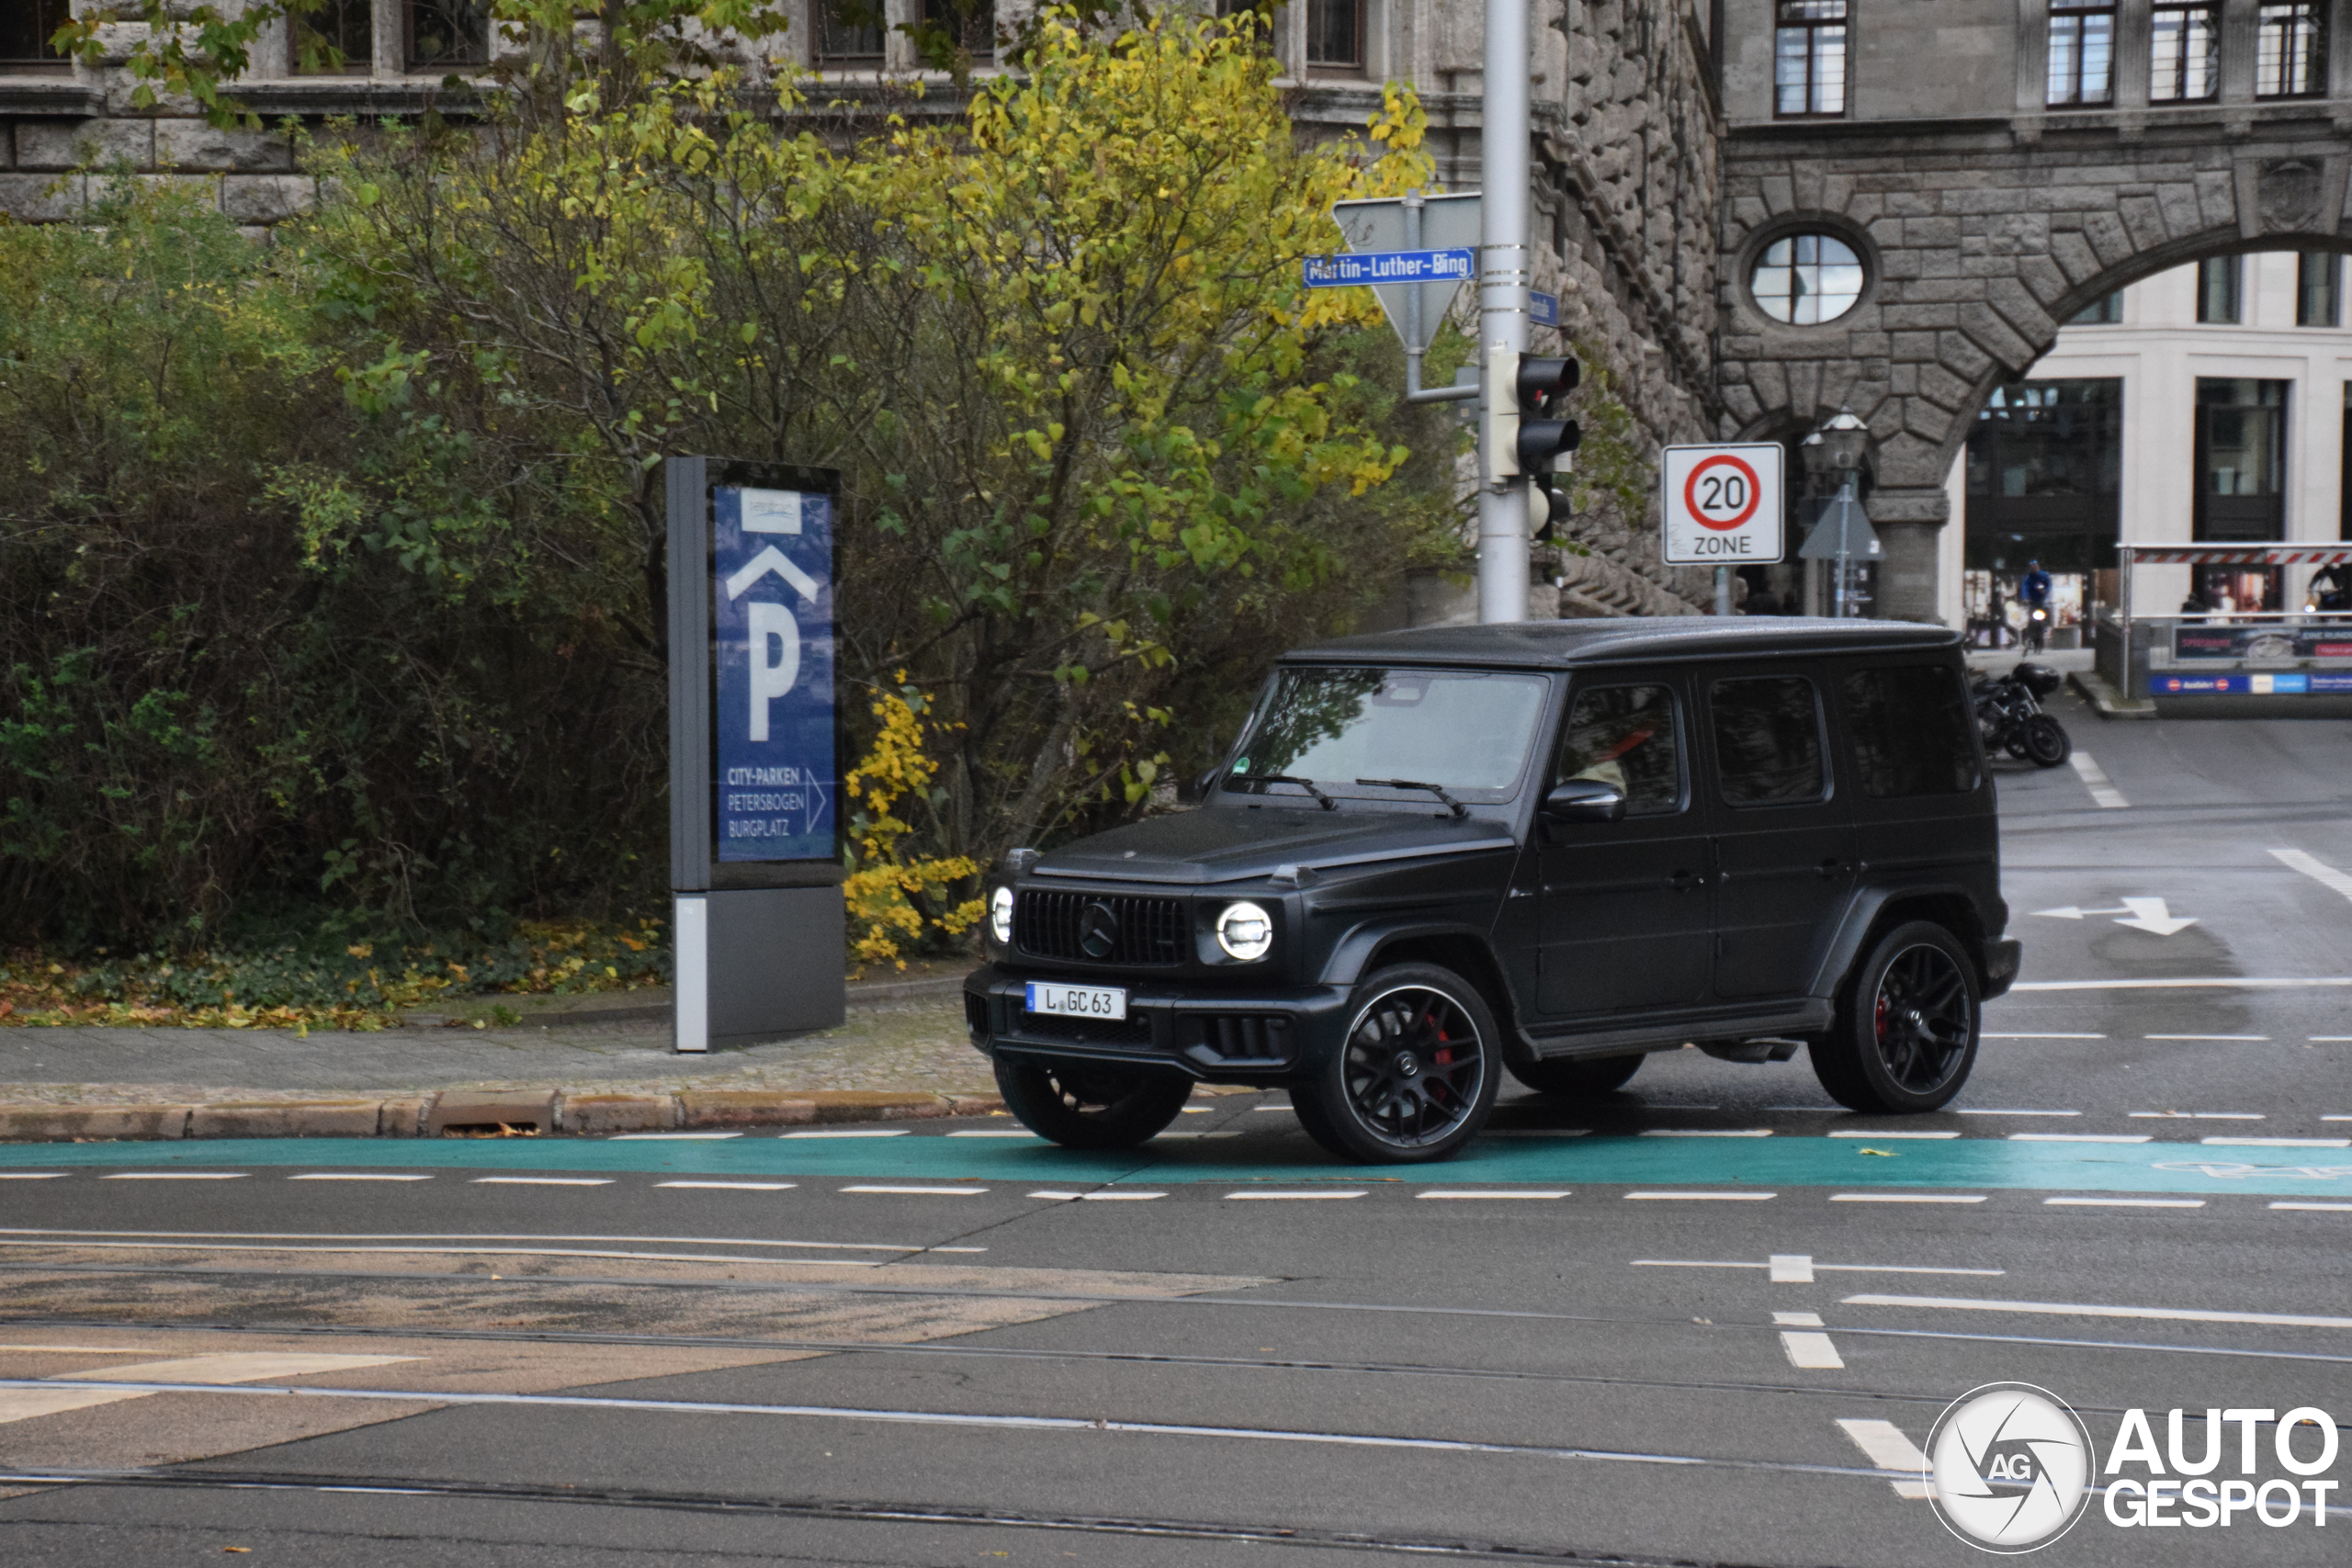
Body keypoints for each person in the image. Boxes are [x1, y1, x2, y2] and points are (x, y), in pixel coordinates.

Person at [2018, 559, 2052, 653]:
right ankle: (2030, 636)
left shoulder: (2044, 575)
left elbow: (2049, 585)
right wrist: (2025, 598)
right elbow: (2024, 588)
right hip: (2033, 603)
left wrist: (2045, 592)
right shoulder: (2028, 578)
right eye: (2032, 567)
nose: (2034, 568)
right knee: (2031, 621)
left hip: (2042, 602)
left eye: (2035, 566)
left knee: (2043, 621)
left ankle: (2043, 634)